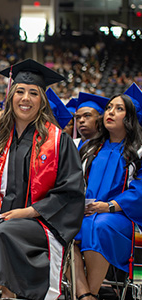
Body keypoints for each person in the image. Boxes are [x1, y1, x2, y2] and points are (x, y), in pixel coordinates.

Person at [0, 59, 85, 300]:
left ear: (42, 100)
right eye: (19, 91)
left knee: (1, 233)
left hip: (41, 224)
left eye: (33, 93)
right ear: (10, 97)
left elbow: (71, 191)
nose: (25, 98)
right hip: (1, 217)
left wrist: (30, 212)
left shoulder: (58, 141)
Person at [74, 83, 142, 300]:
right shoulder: (89, 148)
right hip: (87, 213)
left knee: (99, 225)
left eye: (119, 109)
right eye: (109, 107)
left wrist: (109, 206)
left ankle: (90, 293)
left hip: (123, 218)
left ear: (130, 117)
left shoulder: (138, 151)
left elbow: (140, 190)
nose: (111, 112)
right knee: (63, 230)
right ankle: (86, 295)